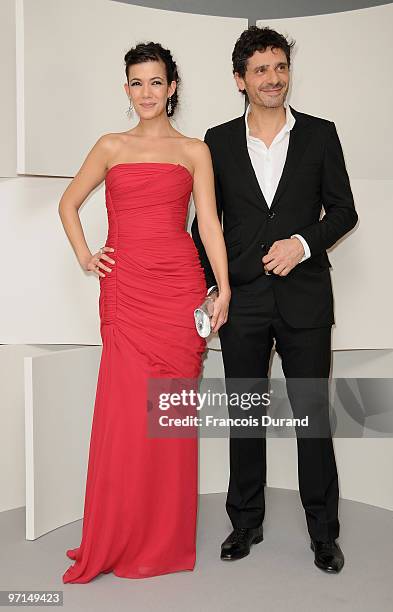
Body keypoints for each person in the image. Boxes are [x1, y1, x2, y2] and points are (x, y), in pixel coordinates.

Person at [58, 41, 230, 582]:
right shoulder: (110, 145)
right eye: (137, 82)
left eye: (156, 82)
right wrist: (88, 256)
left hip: (179, 290)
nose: (147, 92)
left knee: (169, 416)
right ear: (126, 88)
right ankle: (118, 532)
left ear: (172, 87)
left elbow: (207, 225)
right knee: (125, 412)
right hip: (126, 290)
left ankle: (163, 538)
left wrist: (221, 288)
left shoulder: (195, 151)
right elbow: (68, 202)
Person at [191, 26, 358, 574]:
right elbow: (205, 225)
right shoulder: (214, 140)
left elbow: (343, 211)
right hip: (242, 301)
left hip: (306, 299)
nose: (273, 78)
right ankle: (245, 523)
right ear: (240, 80)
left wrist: (304, 243)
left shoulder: (320, 134)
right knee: (246, 415)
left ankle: (323, 533)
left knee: (312, 416)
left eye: (280, 67)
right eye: (260, 70)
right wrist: (216, 287)